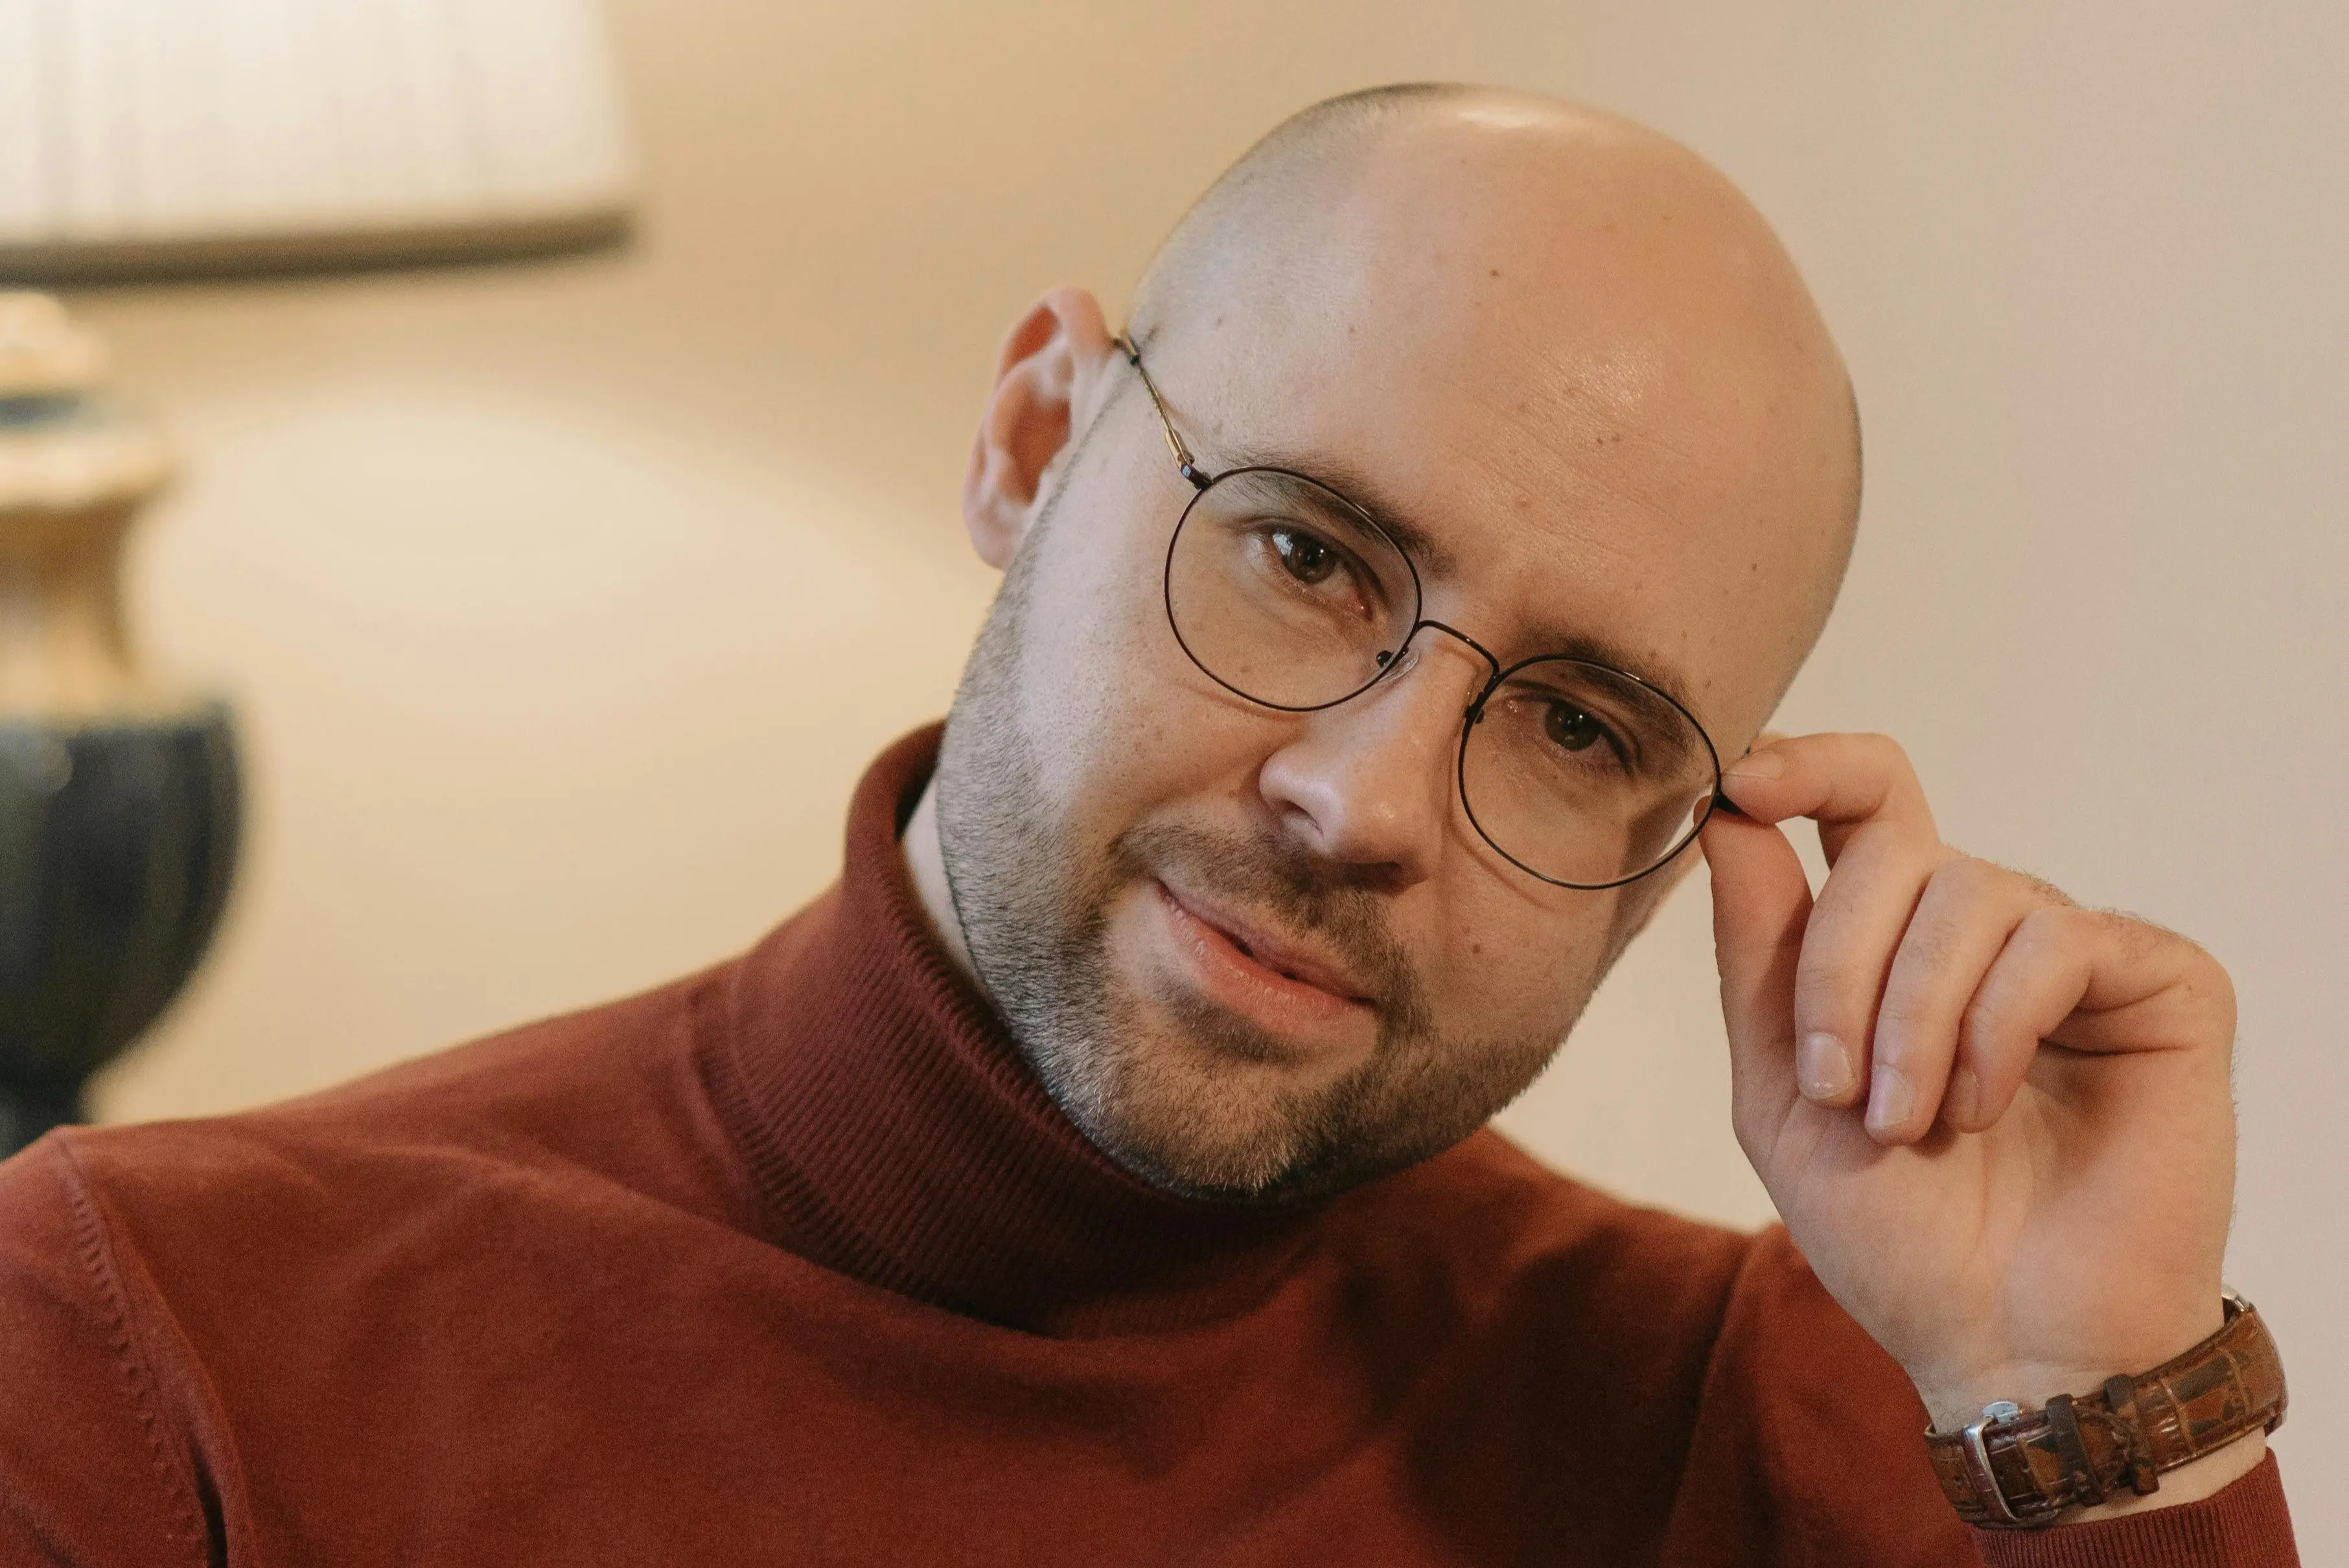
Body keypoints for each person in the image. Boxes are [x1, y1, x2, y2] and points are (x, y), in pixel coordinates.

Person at [0, 85, 2296, 1565]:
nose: (1367, 799)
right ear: (1029, 442)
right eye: (1304, 554)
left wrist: (2090, 1397)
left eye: (1583, 723)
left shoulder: (1789, 1433)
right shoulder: (160, 1340)